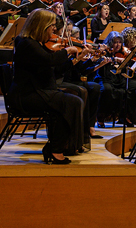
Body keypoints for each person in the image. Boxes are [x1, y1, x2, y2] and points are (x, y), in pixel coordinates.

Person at [10, 9, 88, 163]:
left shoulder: (38, 43)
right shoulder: (25, 43)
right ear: (41, 25)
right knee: (72, 102)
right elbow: (49, 60)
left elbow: (55, 69)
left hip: (40, 91)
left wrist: (77, 59)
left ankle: (58, 148)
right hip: (27, 95)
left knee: (70, 103)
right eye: (52, 25)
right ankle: (57, 149)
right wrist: (67, 51)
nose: (54, 28)